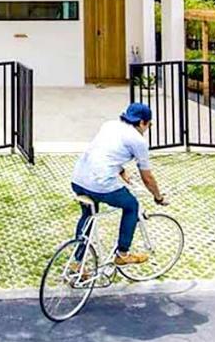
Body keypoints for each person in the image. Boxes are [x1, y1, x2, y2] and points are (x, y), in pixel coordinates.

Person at [70, 102, 167, 266]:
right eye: (149, 124)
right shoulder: (139, 141)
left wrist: (121, 171)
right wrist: (158, 197)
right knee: (131, 206)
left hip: (78, 178)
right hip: (100, 184)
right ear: (143, 122)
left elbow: (103, 152)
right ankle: (123, 253)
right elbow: (147, 177)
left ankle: (77, 262)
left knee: (88, 215)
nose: (148, 128)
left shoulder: (109, 125)